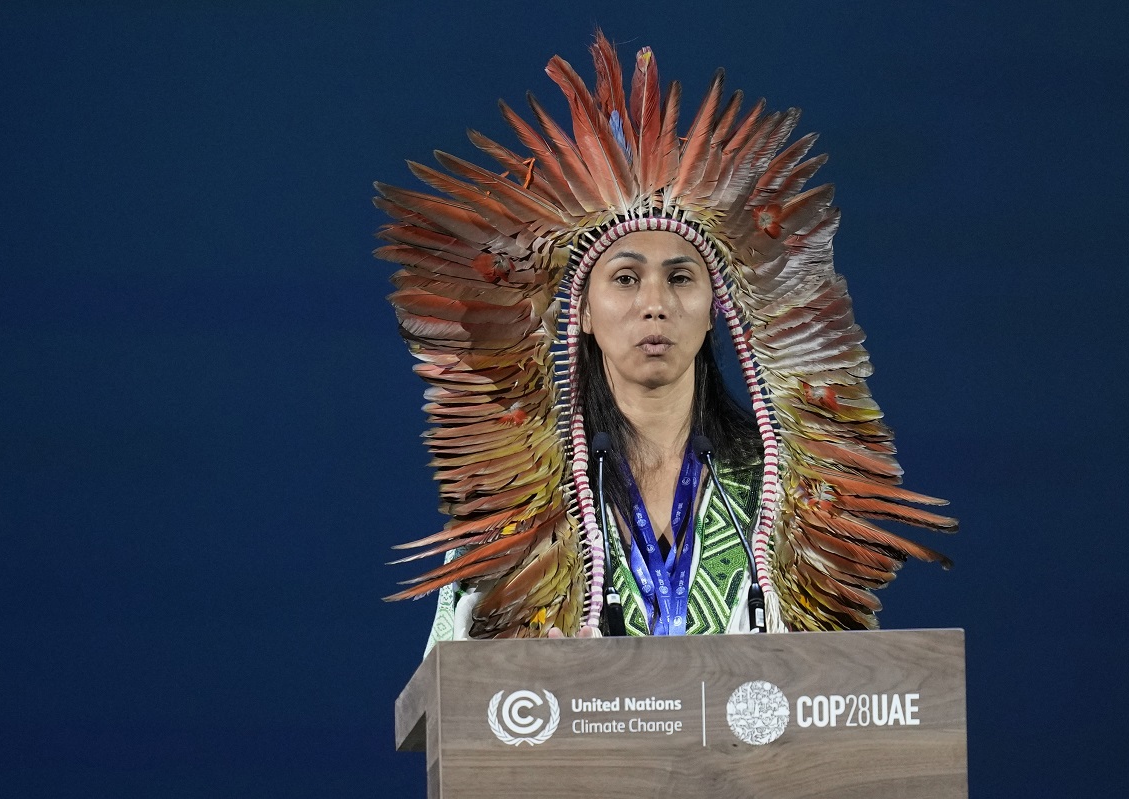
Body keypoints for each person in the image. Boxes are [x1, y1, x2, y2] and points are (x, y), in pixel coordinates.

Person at [376, 33, 956, 647]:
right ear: (584, 313)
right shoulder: (521, 512)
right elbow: (460, 699)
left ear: (714, 309)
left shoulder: (779, 492)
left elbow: (839, 689)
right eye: (625, 279)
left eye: (681, 278)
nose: (655, 304)